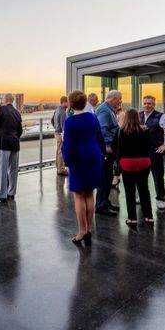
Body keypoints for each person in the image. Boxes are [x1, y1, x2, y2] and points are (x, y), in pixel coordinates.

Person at [62, 91, 105, 245]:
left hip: (79, 158)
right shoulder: (93, 117)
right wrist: (102, 154)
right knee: (89, 194)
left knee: (79, 195)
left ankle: (82, 230)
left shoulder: (70, 122)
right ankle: (89, 229)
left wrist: (67, 162)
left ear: (71, 104)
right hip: (93, 156)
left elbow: (67, 145)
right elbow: (100, 137)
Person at [111, 109, 153, 227]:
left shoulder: (120, 131)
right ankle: (149, 217)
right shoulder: (145, 130)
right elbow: (149, 145)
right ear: (137, 118)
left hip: (127, 163)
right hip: (143, 162)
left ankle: (132, 219)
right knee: (144, 190)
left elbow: (114, 147)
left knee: (130, 192)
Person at [139, 95, 165, 210]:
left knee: (158, 176)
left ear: (154, 104)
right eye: (145, 103)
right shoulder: (138, 115)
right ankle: (140, 196)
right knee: (141, 176)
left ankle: (160, 199)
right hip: (141, 151)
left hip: (155, 150)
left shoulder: (162, 116)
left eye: (149, 103)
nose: (147, 105)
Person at [0, 93, 23, 203]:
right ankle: (11, 193)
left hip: (3, 143)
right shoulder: (17, 112)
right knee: (13, 170)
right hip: (15, 142)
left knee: (2, 169)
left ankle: (1, 195)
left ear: (5, 100)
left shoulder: (1, 109)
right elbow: (20, 130)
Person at [95, 90, 122, 216]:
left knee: (108, 177)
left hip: (110, 148)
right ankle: (101, 205)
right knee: (104, 178)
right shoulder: (105, 110)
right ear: (113, 98)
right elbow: (102, 129)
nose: (120, 101)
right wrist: (107, 146)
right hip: (107, 149)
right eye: (119, 98)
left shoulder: (108, 109)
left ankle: (105, 201)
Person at [51, 96, 69, 176]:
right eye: (67, 102)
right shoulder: (62, 112)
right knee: (61, 151)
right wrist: (64, 135)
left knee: (58, 151)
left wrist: (56, 128)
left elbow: (52, 120)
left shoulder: (57, 110)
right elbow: (63, 125)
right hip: (60, 134)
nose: (68, 104)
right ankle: (61, 169)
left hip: (57, 133)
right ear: (64, 102)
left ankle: (58, 167)